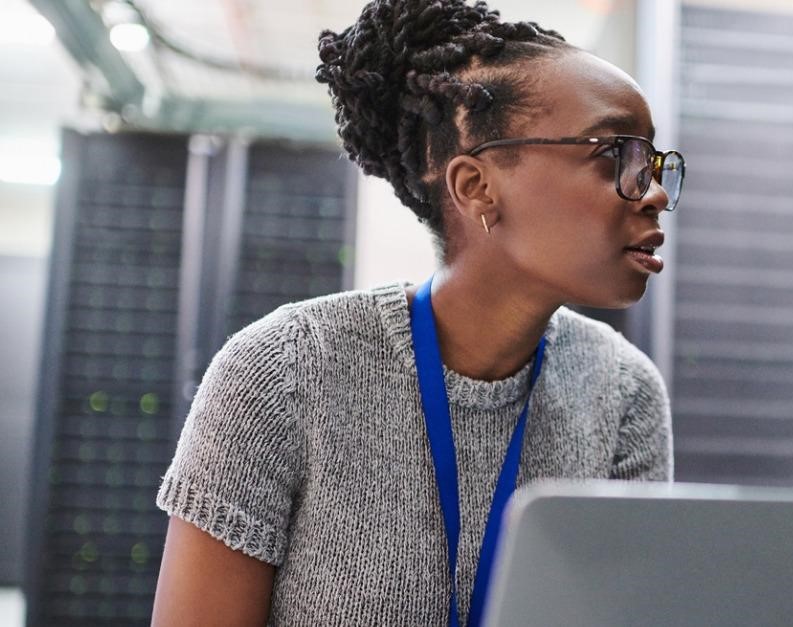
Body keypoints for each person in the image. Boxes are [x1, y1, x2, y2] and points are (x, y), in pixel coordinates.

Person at [150, 0, 686, 624]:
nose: (652, 194)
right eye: (614, 154)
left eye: (653, 164)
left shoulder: (625, 395)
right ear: (476, 186)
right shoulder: (281, 373)